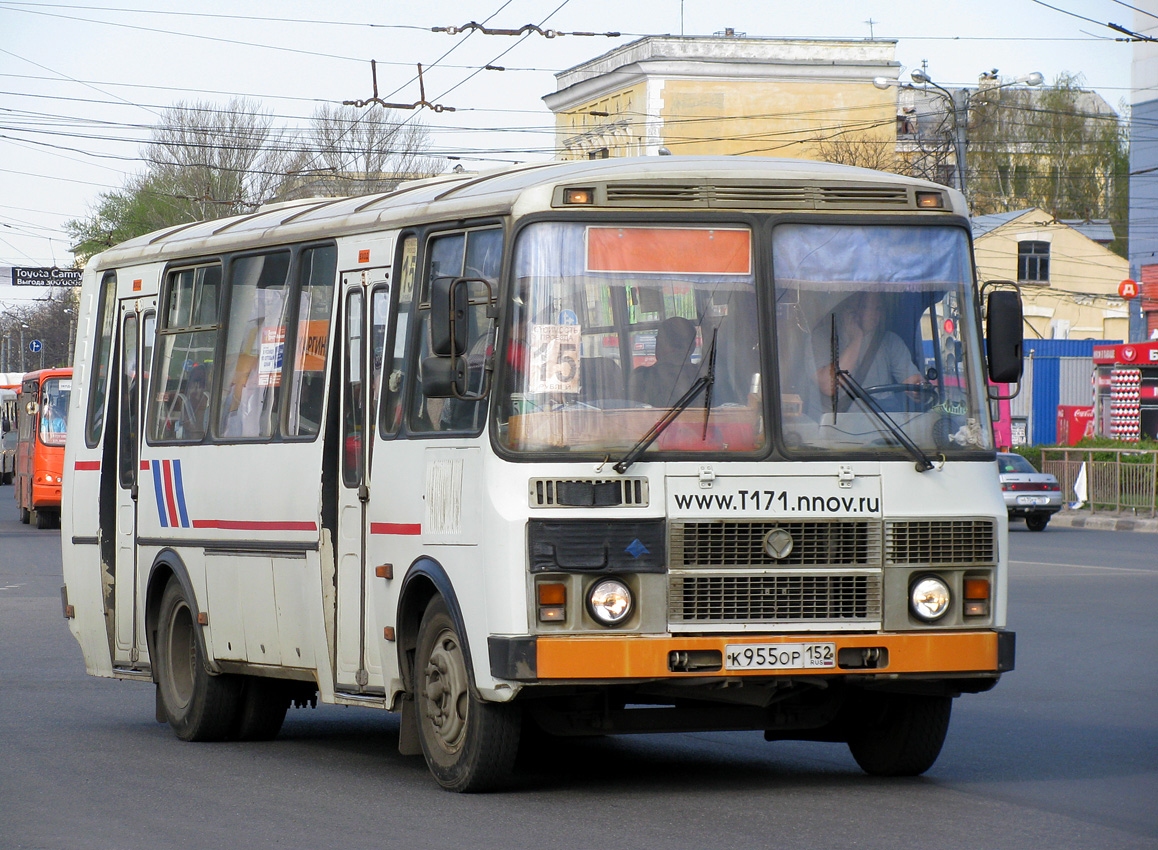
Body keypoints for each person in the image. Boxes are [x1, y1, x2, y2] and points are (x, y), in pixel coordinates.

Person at [816, 291, 921, 408]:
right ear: (848, 310)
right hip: (837, 423)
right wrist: (856, 339)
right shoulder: (822, 337)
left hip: (883, 422)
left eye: (878, 308)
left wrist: (919, 388)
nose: (874, 314)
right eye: (865, 307)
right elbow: (828, 386)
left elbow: (913, 381)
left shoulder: (890, 341)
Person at [630, 316, 700, 407]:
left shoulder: (641, 377)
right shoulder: (704, 376)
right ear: (693, 346)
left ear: (662, 342)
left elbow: (633, 413)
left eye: (657, 339)